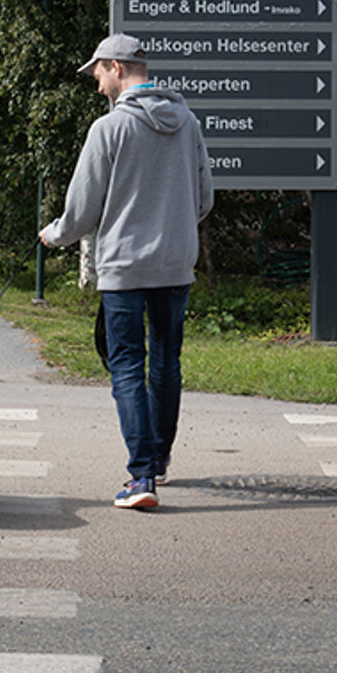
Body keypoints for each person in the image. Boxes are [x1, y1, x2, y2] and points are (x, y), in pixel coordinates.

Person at [39, 32, 213, 510]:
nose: (96, 85)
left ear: (116, 68)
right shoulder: (188, 123)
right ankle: (157, 460)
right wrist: (171, 231)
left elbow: (81, 210)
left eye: (97, 72)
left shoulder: (108, 130)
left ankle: (141, 480)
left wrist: (52, 235)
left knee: (126, 369)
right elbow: (204, 199)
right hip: (175, 266)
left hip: (124, 270)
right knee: (167, 365)